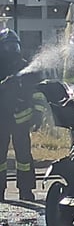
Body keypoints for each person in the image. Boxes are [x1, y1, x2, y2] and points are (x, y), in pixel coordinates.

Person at [0, 27, 40, 201]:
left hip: (22, 120)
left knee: (24, 157)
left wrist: (38, 114)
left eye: (15, 46)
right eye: (8, 47)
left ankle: (26, 190)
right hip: (1, 119)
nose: (12, 50)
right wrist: (4, 84)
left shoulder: (25, 67)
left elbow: (37, 92)